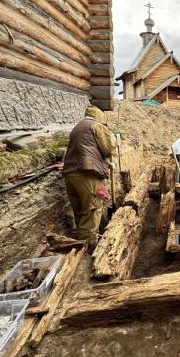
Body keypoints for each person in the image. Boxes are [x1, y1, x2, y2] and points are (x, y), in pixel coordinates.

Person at [63, 106, 113, 251]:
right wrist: (115, 141)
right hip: (88, 175)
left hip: (70, 175)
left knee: (80, 212)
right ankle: (87, 249)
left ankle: (78, 243)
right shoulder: (96, 126)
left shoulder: (77, 127)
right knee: (92, 211)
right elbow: (108, 148)